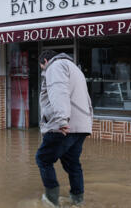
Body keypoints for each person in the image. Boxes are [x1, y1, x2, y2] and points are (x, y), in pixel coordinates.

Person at [35, 50, 93, 207]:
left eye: (42, 68)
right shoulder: (75, 68)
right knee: (73, 164)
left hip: (63, 126)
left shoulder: (54, 66)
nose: (43, 71)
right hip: (81, 125)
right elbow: (86, 98)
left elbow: (58, 91)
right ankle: (78, 200)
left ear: (45, 61)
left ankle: (51, 199)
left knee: (43, 159)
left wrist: (61, 120)